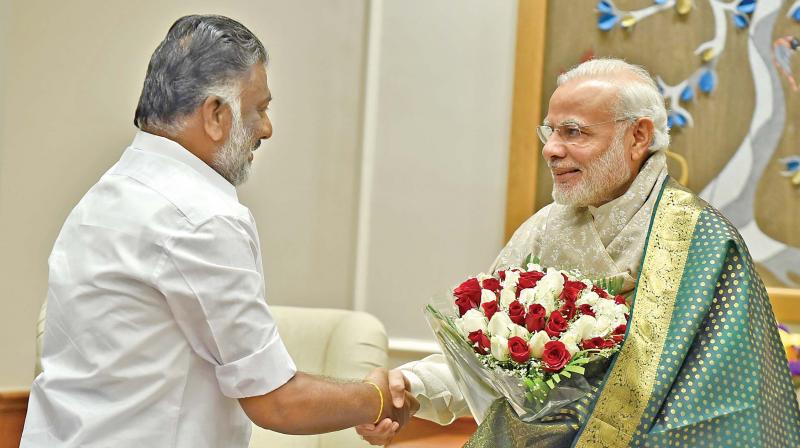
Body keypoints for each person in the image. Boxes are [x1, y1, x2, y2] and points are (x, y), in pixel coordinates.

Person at [357, 58, 800, 447]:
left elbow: (726, 407)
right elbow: (486, 360)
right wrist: (409, 386)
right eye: (550, 131)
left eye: (574, 132)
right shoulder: (545, 230)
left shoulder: (704, 242)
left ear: (638, 136)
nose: (550, 149)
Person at [20, 15, 416, 448]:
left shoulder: (105, 196)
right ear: (215, 114)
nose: (266, 128)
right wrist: (376, 399)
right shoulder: (200, 217)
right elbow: (278, 402)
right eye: (259, 108)